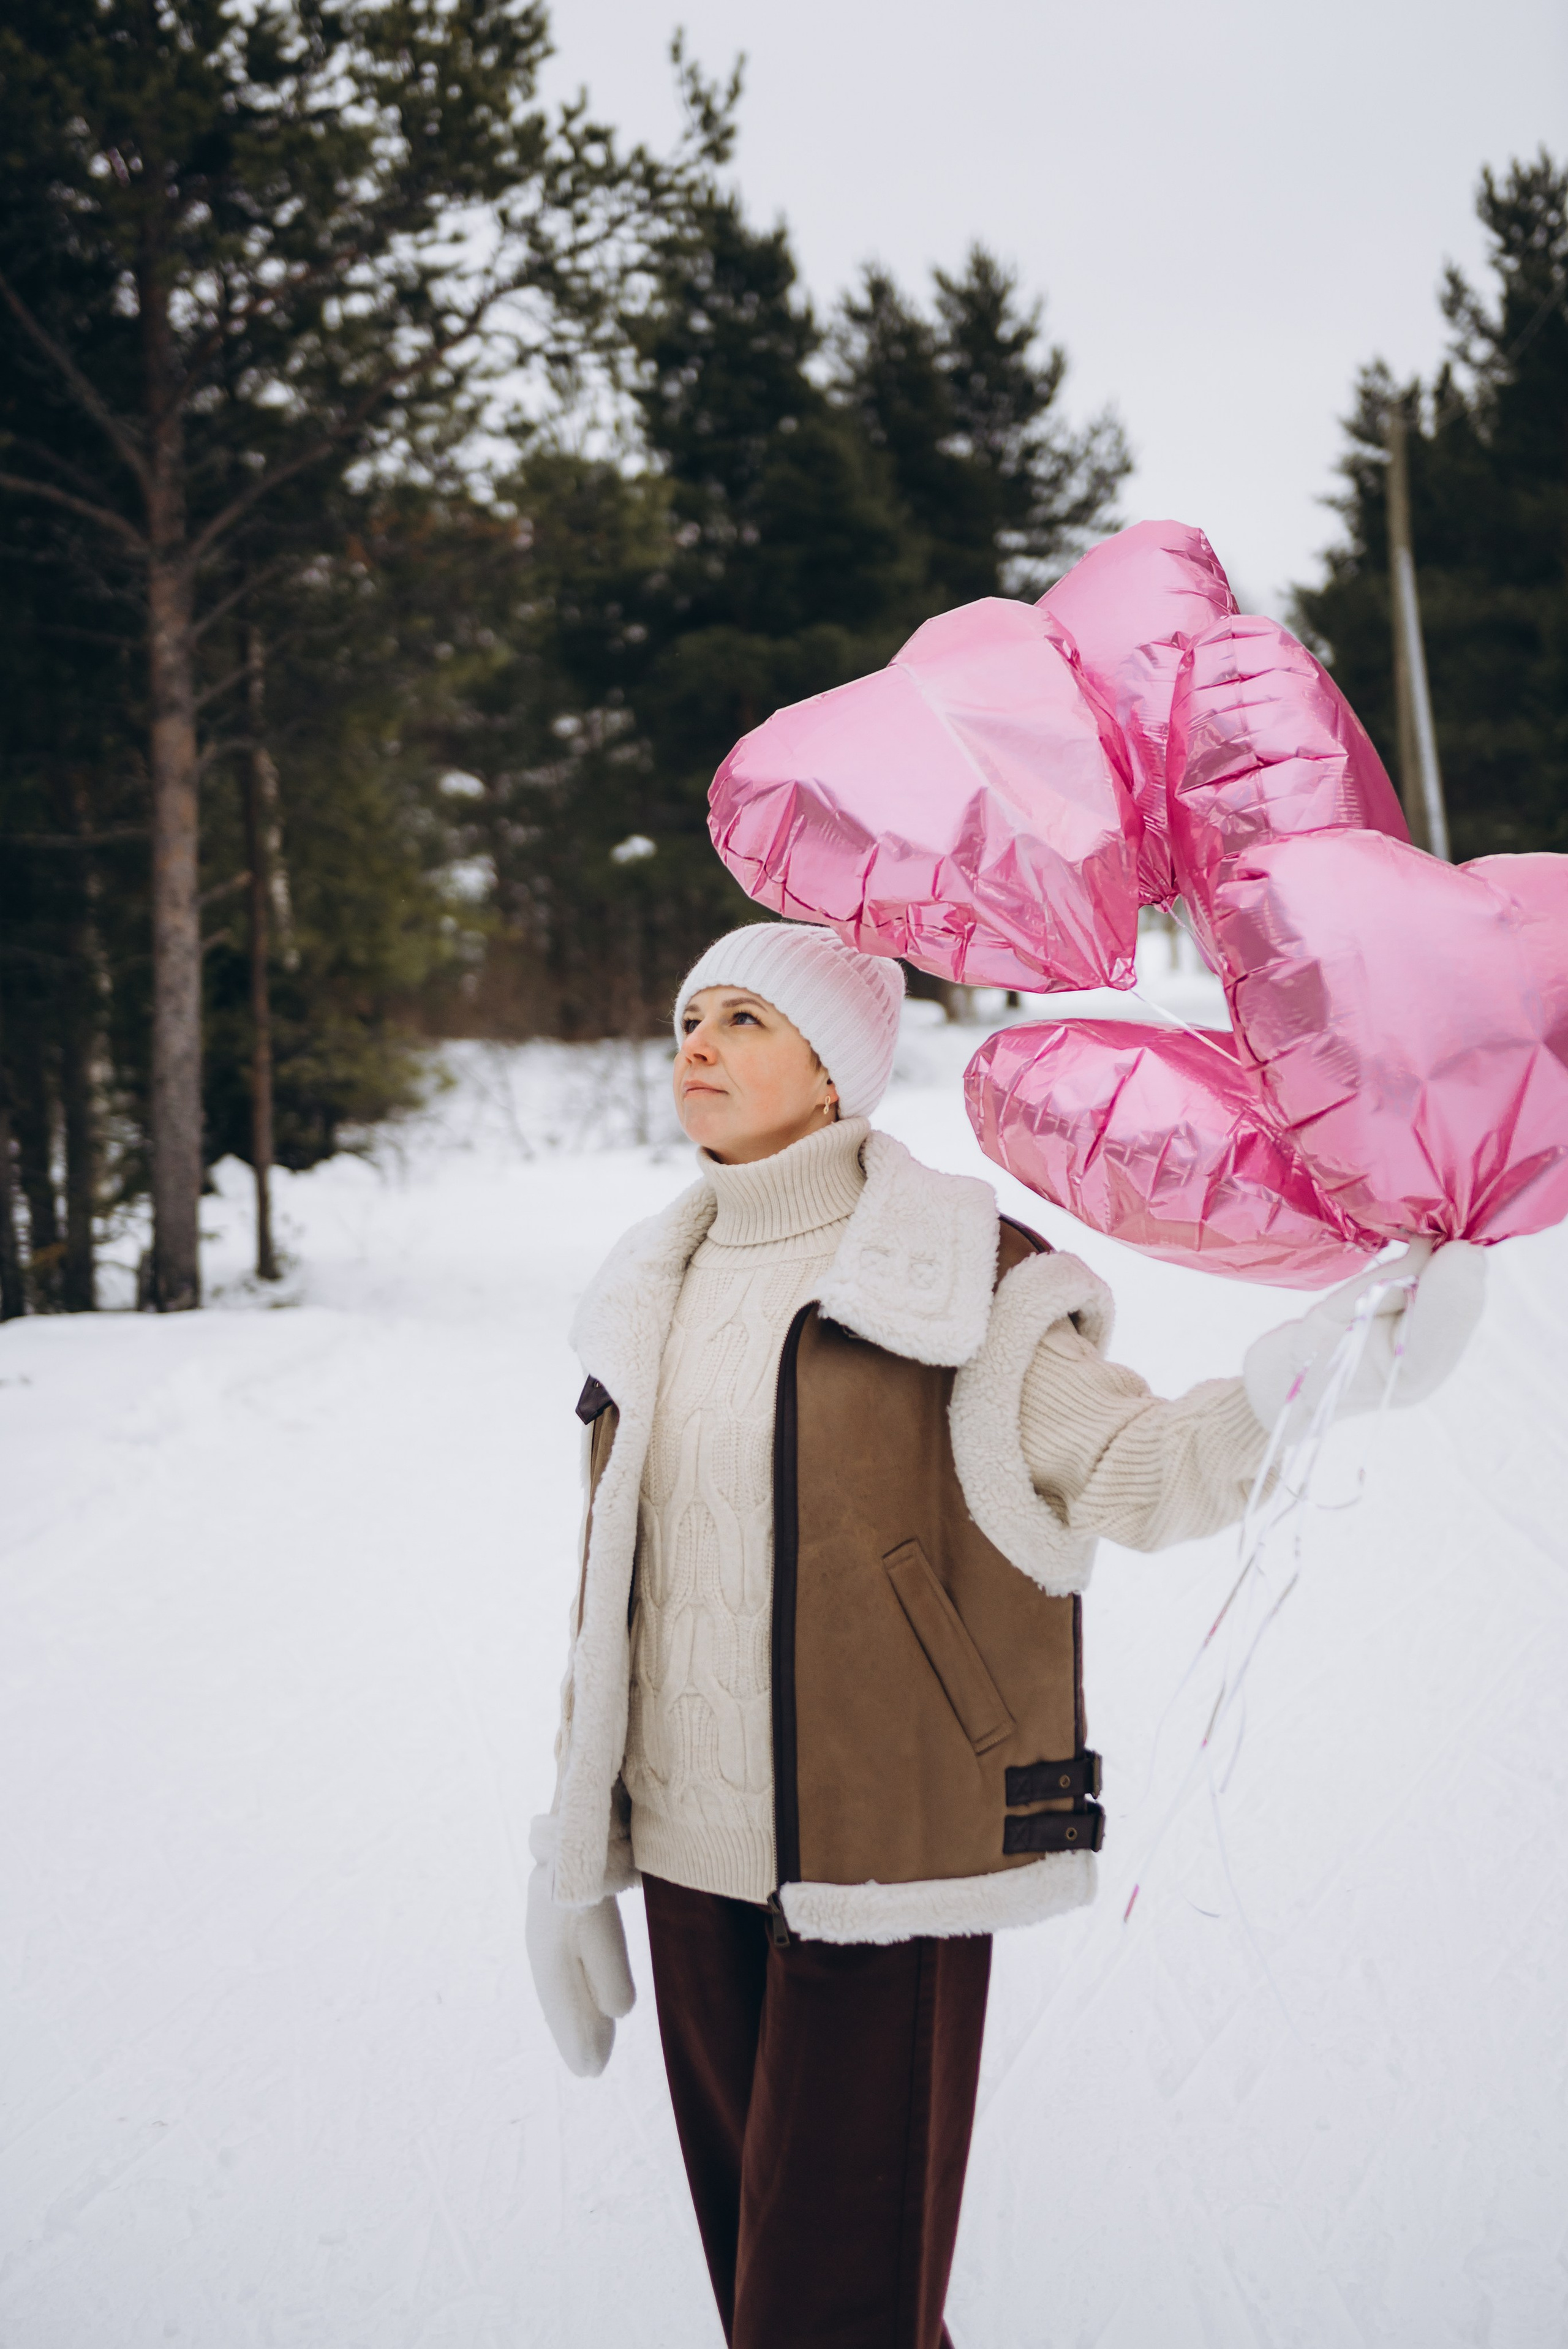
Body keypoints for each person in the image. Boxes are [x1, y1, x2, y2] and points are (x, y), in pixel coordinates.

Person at [526, 921, 1483, 2349]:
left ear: (835, 1068)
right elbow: (617, 1593)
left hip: (883, 1864)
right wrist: (569, 1859)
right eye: (688, 1020)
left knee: (823, 2320)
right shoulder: (651, 1283)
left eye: (743, 1020)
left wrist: (1303, 1383)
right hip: (685, 1863)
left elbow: (1135, 1468)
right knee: (769, 2306)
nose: (697, 1049)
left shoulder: (953, 1276)